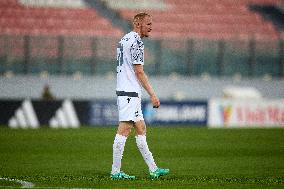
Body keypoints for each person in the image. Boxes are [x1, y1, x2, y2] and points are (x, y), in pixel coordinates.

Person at [110, 12, 169, 180]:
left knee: (141, 127)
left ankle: (153, 169)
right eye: (148, 24)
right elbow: (139, 71)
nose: (151, 27)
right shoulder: (136, 42)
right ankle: (115, 172)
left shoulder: (124, 39)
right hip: (129, 91)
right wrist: (153, 94)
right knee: (124, 129)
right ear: (138, 24)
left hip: (127, 90)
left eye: (151, 24)